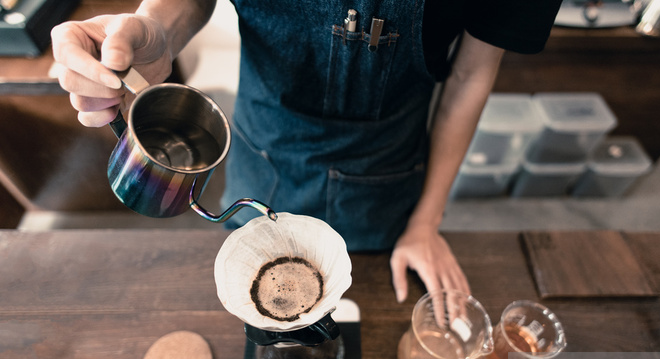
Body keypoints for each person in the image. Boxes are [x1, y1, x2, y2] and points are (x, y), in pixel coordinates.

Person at [51, 0, 562, 304]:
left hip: (385, 170)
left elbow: (472, 73)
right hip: (263, 147)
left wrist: (426, 222)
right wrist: (153, 28)